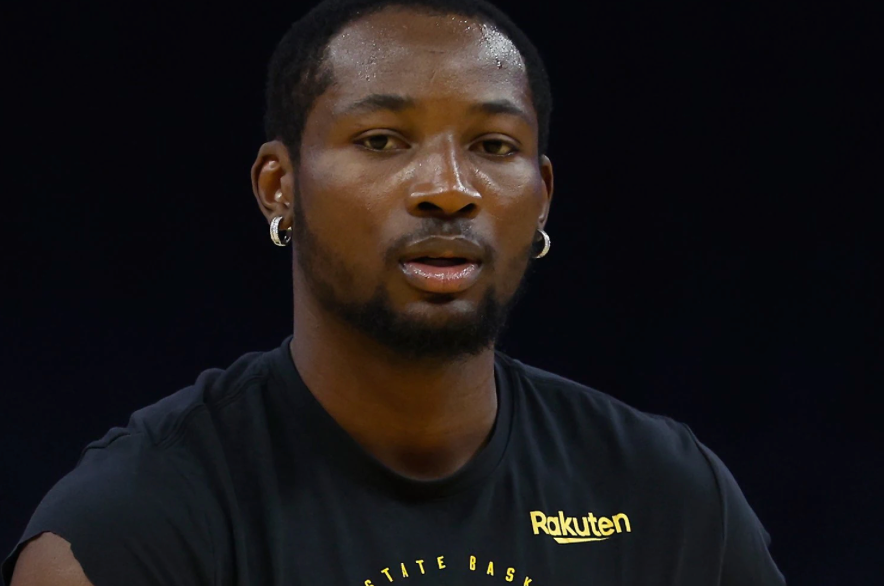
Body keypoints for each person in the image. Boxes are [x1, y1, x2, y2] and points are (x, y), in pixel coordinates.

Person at [3, 0, 786, 584]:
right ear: (279, 186)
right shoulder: (132, 530)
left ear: (542, 198)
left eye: (493, 146)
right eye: (381, 140)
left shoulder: (669, 498)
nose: (449, 188)